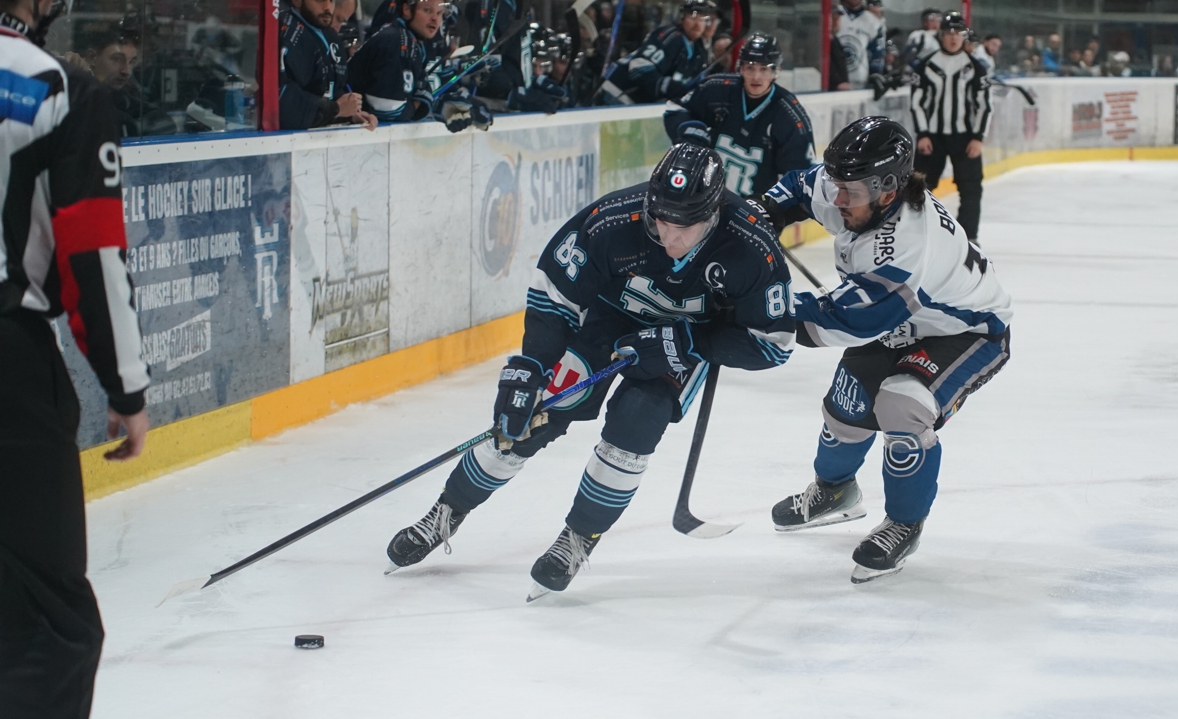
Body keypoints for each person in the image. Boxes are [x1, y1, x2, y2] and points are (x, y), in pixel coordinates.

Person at [383, 144, 796, 598]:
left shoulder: (751, 246)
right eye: (662, 220)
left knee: (636, 422)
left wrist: (688, 342)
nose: (670, 235)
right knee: (531, 417)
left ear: (715, 213)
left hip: (681, 341)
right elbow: (553, 294)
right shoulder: (614, 220)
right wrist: (529, 367)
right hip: (604, 322)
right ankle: (447, 510)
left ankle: (580, 536)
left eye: (686, 225)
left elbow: (772, 345)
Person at [755, 117, 1012, 583]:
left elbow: (846, 320)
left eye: (847, 192)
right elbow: (795, 188)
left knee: (901, 404)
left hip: (968, 330)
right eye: (836, 186)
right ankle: (835, 493)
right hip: (904, 319)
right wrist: (756, 221)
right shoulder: (857, 190)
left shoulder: (906, 246)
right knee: (846, 409)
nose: (836, 199)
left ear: (888, 190)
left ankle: (904, 522)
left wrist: (753, 309)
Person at [0, 0, 152, 715]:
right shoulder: (54, 86)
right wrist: (125, 389)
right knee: (48, 630)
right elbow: (91, 254)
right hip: (10, 370)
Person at [664, 32, 815, 196]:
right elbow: (675, 107)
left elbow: (801, 176)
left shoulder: (788, 115)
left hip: (754, 209)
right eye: (750, 67)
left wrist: (777, 208)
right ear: (741, 68)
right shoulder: (717, 89)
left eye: (764, 69)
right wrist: (689, 132)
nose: (756, 76)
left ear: (776, 71)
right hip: (704, 200)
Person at [909, 11, 990, 244]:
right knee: (918, 189)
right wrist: (922, 133)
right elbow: (916, 103)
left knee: (971, 188)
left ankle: (968, 238)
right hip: (931, 137)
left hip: (965, 138)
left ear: (965, 36)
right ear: (941, 35)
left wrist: (977, 137)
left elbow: (984, 106)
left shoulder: (976, 68)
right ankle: (916, 236)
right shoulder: (925, 65)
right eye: (949, 33)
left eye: (959, 33)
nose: (954, 38)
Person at [346, 0, 487, 130]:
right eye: (427, 10)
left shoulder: (413, 44)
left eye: (439, 13)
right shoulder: (396, 41)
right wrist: (432, 107)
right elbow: (388, 110)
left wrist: (433, 104)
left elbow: (416, 93)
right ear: (407, 10)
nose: (435, 19)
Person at [279, 0, 377, 129]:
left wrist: (351, 114)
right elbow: (284, 105)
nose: (327, 7)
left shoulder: (331, 37)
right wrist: (335, 110)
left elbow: (333, 93)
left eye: (331, 1)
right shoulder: (286, 33)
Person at [599, 0, 713, 105]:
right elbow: (638, 67)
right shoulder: (670, 37)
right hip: (617, 94)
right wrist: (667, 86)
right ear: (682, 18)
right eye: (693, 17)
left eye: (703, 19)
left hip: (638, 105)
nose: (698, 24)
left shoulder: (699, 51)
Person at [833, 0, 884, 90]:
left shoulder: (874, 23)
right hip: (834, 82)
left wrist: (874, 75)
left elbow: (877, 55)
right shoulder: (834, 15)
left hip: (860, 84)